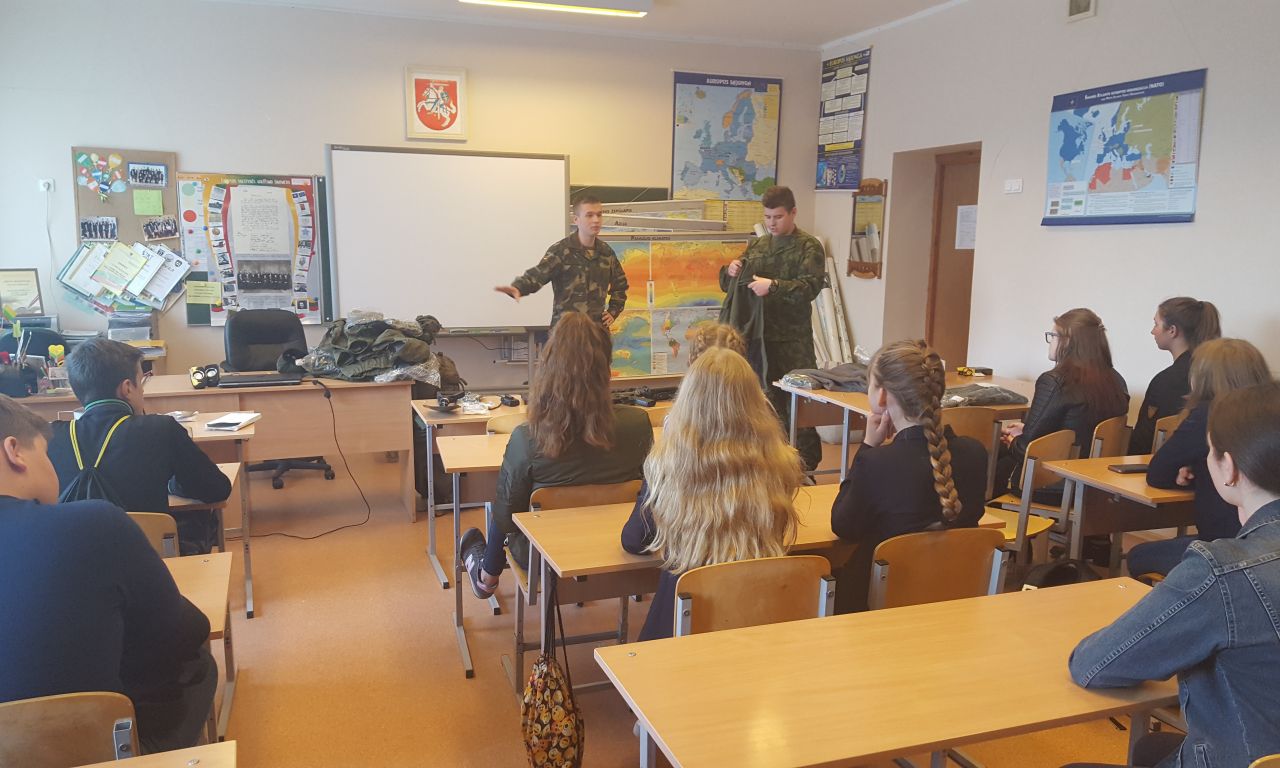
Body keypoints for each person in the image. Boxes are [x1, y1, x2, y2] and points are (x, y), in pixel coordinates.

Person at [1064, 382, 1280, 768]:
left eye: (1209, 451)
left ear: (1229, 468)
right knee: (1151, 749)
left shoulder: (1222, 572)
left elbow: (1094, 665)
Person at [0, 395, 216, 753]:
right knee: (199, 665)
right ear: (15, 452)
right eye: (46, 454)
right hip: (93, 748)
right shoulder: (93, 524)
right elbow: (185, 632)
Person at [460, 312, 652, 597]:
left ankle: (486, 577)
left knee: (501, 507)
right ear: (606, 368)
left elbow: (507, 515)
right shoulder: (638, 424)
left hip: (544, 559)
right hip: (619, 547)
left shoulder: (529, 437)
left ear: (548, 370)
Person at [621, 347, 804, 641]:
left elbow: (635, 540)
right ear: (755, 401)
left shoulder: (668, 464)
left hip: (684, 623)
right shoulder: (781, 463)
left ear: (687, 402)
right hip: (760, 619)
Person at [830, 340, 988, 613]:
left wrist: (867, 446)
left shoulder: (876, 463)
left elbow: (843, 526)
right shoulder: (976, 453)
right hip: (955, 599)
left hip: (880, 606)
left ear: (882, 396)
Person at [47, 338, 231, 555]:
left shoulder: (49, 436)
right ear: (127, 388)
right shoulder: (161, 429)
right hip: (149, 562)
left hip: (70, 562)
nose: (142, 392)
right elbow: (217, 489)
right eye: (141, 382)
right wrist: (172, 484)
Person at [1127, 338, 1272, 577]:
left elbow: (1158, 473)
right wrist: (1200, 469)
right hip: (1267, 541)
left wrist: (1191, 475)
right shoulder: (1269, 413)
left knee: (1137, 556)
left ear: (1202, 378)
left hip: (1224, 544)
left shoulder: (1210, 414)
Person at [718, 185, 827, 472]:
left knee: (799, 406)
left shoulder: (808, 246)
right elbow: (731, 286)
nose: (771, 223)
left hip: (793, 341)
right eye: (767, 217)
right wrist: (730, 271)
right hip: (760, 340)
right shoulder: (759, 245)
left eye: (778, 217)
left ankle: (804, 467)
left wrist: (774, 286)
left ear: (793, 213)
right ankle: (770, 464)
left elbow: (810, 287)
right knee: (764, 404)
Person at [996, 308, 1129, 502]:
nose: (1050, 342)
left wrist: (1014, 440)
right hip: (1096, 482)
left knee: (993, 460)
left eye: (1053, 336)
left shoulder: (1055, 381)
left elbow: (1026, 452)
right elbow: (1079, 428)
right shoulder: (1116, 380)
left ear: (1067, 341)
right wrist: (1027, 430)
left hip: (1056, 483)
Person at [494, 195, 627, 329]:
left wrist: (613, 311)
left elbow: (620, 285)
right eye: (589, 215)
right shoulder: (561, 250)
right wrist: (518, 288)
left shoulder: (606, 252)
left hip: (595, 330)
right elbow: (538, 275)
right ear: (576, 220)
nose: (596, 220)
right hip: (565, 331)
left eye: (599, 215)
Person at [1128, 297, 1221, 455]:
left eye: (1156, 324)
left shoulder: (1165, 382)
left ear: (1172, 330)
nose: (1152, 331)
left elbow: (1142, 442)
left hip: (1165, 465)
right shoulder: (1218, 372)